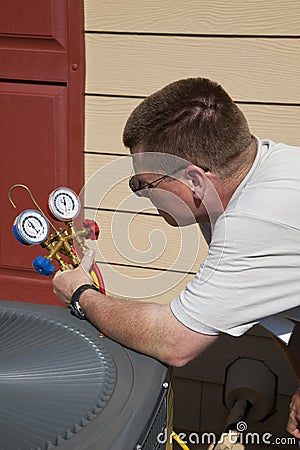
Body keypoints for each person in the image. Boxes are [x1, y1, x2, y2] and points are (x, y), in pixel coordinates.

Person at [53, 77, 300, 437]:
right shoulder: (267, 166)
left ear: (195, 181)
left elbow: (175, 341)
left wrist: (81, 294)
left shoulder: (252, 222)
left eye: (143, 185)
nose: (141, 195)